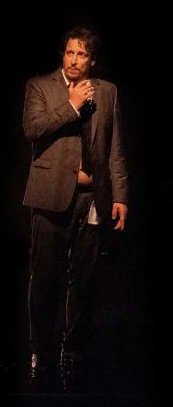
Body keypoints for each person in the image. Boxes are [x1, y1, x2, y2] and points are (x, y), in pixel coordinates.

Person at [22, 27, 128, 381]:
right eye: (69, 53)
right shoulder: (40, 86)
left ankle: (75, 348)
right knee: (44, 278)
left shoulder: (108, 92)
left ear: (92, 61)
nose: (74, 60)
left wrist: (120, 197)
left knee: (84, 279)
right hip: (50, 195)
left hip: (92, 199)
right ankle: (41, 349)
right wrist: (71, 106)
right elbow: (33, 129)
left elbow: (115, 148)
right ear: (62, 54)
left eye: (82, 55)